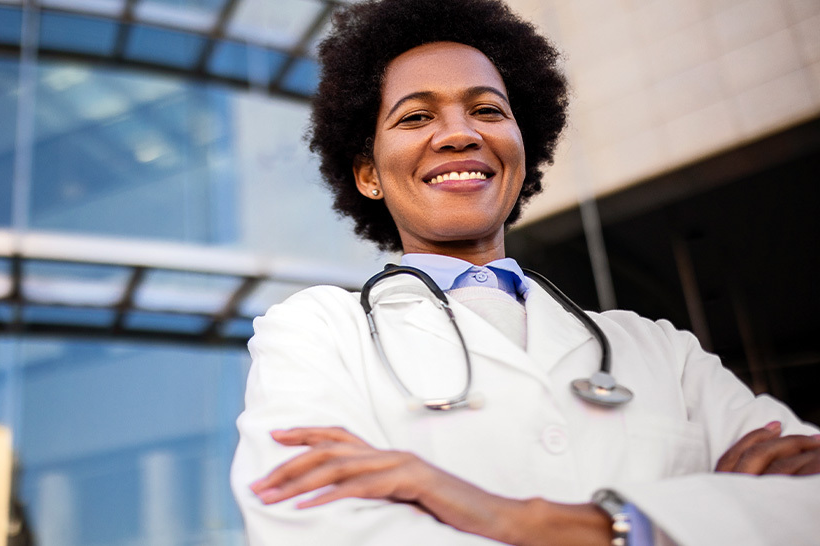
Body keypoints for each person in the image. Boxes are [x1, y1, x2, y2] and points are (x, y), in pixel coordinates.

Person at [230, 1, 820, 545]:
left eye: (487, 109)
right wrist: (694, 517)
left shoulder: (658, 349)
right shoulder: (315, 332)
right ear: (368, 174)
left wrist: (530, 521)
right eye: (415, 118)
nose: (461, 133)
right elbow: (313, 526)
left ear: (522, 143)